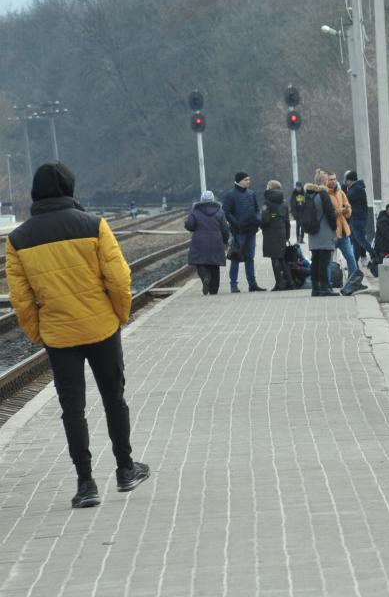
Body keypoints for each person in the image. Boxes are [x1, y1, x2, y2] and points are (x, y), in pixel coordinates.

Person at [6, 162, 151, 508]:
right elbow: (119, 279)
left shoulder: (18, 239)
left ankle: (86, 483)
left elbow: (21, 299)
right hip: (101, 328)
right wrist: (120, 314)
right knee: (114, 399)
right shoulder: (94, 225)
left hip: (59, 336)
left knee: (73, 409)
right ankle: (125, 468)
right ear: (70, 188)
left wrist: (39, 333)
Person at [221, 171, 264, 293]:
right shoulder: (230, 195)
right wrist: (236, 223)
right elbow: (226, 212)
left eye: (249, 180)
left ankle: (252, 284)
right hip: (238, 231)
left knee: (250, 257)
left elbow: (256, 209)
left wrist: (258, 220)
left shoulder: (251, 194)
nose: (248, 182)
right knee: (236, 257)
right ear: (239, 181)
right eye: (246, 180)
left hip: (251, 230)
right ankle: (233, 285)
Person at [185, 190, 231, 295]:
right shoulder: (219, 211)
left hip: (199, 240)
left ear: (201, 200)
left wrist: (187, 223)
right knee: (215, 266)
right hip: (216, 240)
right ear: (213, 199)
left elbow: (190, 226)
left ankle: (205, 277)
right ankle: (214, 290)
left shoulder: (195, 210)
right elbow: (225, 229)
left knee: (200, 263)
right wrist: (225, 240)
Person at [304, 171, 338, 297]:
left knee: (315, 261)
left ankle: (315, 288)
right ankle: (324, 287)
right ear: (325, 181)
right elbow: (330, 214)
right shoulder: (323, 194)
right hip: (324, 231)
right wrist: (334, 227)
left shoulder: (309, 194)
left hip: (313, 232)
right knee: (324, 261)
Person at [324, 171, 359, 284]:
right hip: (331, 233)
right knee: (328, 261)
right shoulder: (324, 194)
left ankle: (352, 281)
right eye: (330, 179)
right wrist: (338, 211)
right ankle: (327, 284)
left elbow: (349, 211)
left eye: (334, 179)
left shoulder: (341, 193)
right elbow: (326, 213)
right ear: (326, 181)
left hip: (343, 232)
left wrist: (346, 210)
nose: (333, 181)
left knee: (351, 257)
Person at [260, 180, 294, 291]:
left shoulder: (267, 202)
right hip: (282, 231)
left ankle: (279, 282)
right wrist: (287, 235)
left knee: (274, 258)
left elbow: (265, 219)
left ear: (270, 188)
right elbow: (287, 221)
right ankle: (289, 282)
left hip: (271, 232)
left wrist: (262, 226)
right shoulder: (284, 202)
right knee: (282, 258)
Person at [344, 170, 378, 275]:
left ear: (350, 180)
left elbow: (346, 200)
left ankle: (373, 253)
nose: (345, 182)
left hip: (357, 219)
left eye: (346, 180)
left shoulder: (356, 189)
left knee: (360, 240)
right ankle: (354, 264)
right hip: (357, 218)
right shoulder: (357, 188)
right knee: (356, 243)